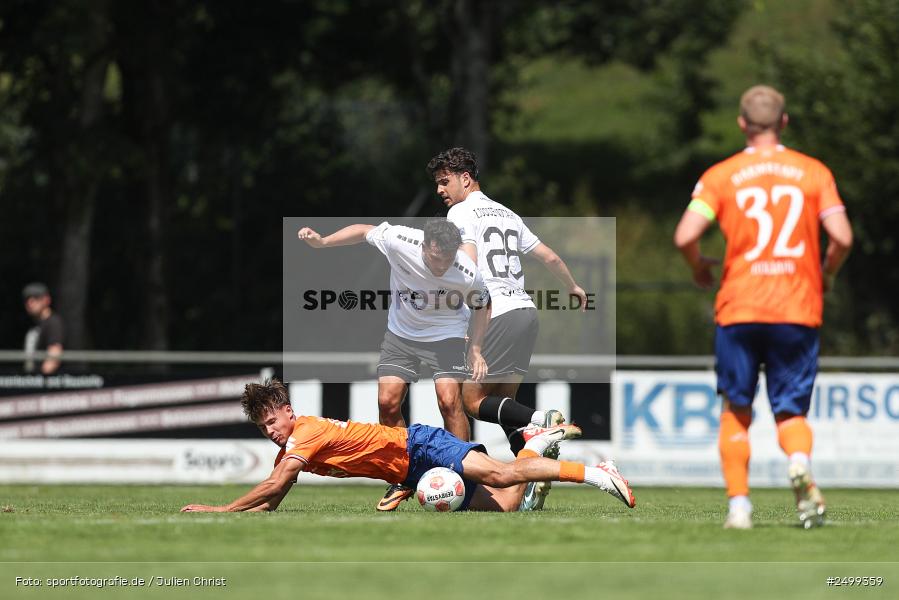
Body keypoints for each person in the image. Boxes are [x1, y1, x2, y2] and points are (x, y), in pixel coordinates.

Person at [673, 85, 853, 529]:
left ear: (742, 124)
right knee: (791, 410)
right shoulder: (814, 172)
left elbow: (684, 235)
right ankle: (798, 462)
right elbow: (843, 237)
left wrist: (698, 266)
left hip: (740, 306)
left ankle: (739, 509)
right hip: (796, 307)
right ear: (784, 122)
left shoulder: (721, 175)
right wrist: (826, 271)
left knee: (737, 408)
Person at [179, 379, 636, 513]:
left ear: (287, 409)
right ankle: (535, 443)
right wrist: (248, 513)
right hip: (410, 470)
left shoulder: (306, 432)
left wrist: (219, 512)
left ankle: (598, 473)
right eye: (262, 429)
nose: (270, 432)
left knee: (500, 475)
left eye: (270, 421)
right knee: (509, 503)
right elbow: (274, 495)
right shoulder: (292, 446)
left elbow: (275, 483)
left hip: (420, 446)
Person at [427, 147, 588, 511]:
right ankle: (533, 480)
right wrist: (573, 287)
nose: (440, 190)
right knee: (504, 409)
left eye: (444, 181)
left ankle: (541, 420)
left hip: (495, 312)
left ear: (465, 178)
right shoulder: (506, 213)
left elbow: (468, 261)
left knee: (473, 401)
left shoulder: (460, 211)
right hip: (526, 313)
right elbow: (549, 256)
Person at [298, 218, 491, 510]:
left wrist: (476, 349)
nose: (441, 267)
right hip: (402, 335)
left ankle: (462, 477)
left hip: (447, 334)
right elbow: (363, 231)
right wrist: (323, 242)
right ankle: (403, 475)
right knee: (387, 403)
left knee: (449, 401)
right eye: (436, 259)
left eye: (447, 261)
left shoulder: (465, 271)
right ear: (425, 247)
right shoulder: (401, 240)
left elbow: (483, 305)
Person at [22, 282, 64, 375]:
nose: (30, 302)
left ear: (47, 300)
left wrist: (40, 380)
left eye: (36, 297)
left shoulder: (53, 322)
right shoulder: (35, 325)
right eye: (27, 299)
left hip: (47, 383)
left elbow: (54, 355)